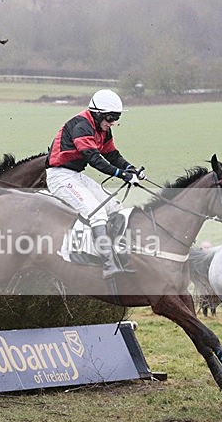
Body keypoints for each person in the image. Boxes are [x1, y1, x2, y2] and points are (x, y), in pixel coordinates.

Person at [45, 89, 146, 279]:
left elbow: (112, 155)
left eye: (115, 118)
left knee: (114, 206)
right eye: (109, 118)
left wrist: (130, 168)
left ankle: (115, 254)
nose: (112, 123)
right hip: (59, 176)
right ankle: (108, 264)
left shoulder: (103, 129)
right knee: (96, 211)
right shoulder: (80, 126)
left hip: (75, 174)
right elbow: (94, 158)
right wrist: (121, 174)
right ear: (97, 113)